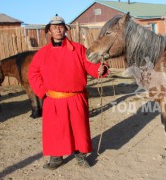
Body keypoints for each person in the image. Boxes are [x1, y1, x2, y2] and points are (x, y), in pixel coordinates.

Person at [27, 14, 108, 170]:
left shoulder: (78, 49)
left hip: (75, 98)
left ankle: (80, 156)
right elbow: (33, 73)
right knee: (56, 130)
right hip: (53, 100)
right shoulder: (42, 53)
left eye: (60, 27)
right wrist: (43, 91)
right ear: (49, 31)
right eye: (54, 27)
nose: (58, 30)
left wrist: (99, 69)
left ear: (65, 29)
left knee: (78, 130)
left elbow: (89, 65)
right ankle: (56, 159)